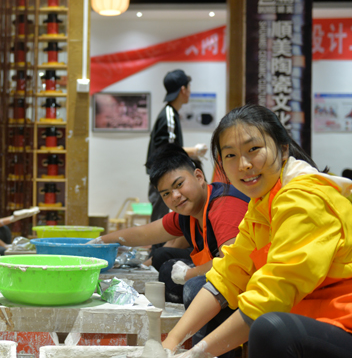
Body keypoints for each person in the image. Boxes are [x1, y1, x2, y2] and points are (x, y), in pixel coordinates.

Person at [163, 104, 352, 358]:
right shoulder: (261, 203)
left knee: (271, 329)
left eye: (253, 149)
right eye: (230, 155)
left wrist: (196, 354)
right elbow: (229, 275)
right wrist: (169, 344)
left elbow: (273, 293)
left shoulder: (305, 199)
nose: (243, 164)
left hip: (342, 321)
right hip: (311, 317)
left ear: (283, 149)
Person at [96, 144, 248, 317]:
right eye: (166, 194)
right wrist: (98, 242)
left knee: (194, 287)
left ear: (199, 176)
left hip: (248, 282)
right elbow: (142, 233)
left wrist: (189, 274)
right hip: (225, 273)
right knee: (167, 267)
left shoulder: (224, 205)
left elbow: (230, 263)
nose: (175, 196)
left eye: (179, 184)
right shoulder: (187, 214)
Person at [146, 69, 208, 222]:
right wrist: (195, 151)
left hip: (164, 177)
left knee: (164, 218)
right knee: (162, 220)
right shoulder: (168, 115)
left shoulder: (170, 113)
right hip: (164, 177)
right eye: (189, 87)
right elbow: (167, 150)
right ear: (183, 89)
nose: (190, 92)